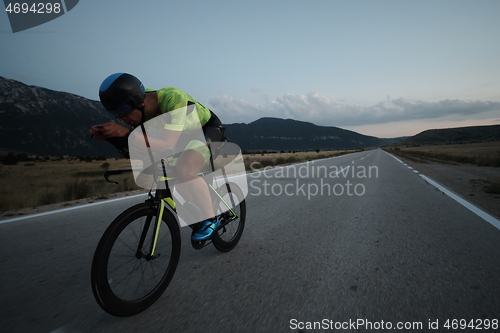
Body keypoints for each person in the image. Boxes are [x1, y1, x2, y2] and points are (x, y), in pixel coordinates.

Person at [89, 73, 224, 241]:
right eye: (116, 113)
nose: (122, 118)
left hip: (206, 129)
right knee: (174, 177)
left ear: (140, 101)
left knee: (185, 169)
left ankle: (212, 219)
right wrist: (113, 138)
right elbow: (141, 146)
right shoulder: (139, 117)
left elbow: (166, 144)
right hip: (180, 136)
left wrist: (126, 133)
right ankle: (200, 206)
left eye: (123, 110)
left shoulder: (172, 98)